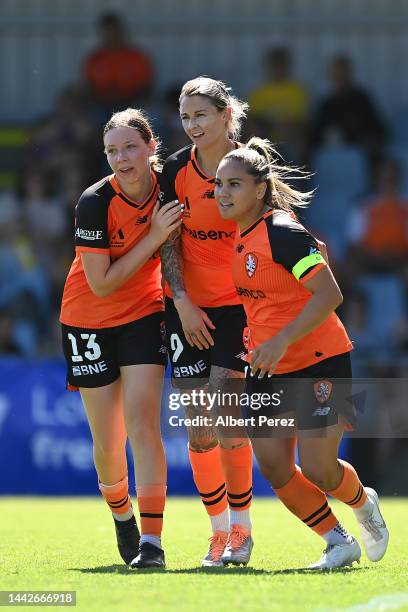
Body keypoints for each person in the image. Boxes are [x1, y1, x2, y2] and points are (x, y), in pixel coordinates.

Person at [214, 137, 389, 569]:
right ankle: (338, 541)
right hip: (268, 365)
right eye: (218, 184)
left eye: (234, 184)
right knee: (274, 466)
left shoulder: (283, 233)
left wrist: (280, 340)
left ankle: (363, 504)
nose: (222, 192)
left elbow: (330, 294)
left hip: (319, 359)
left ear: (259, 189)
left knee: (319, 470)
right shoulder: (242, 236)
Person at [59, 108, 182, 569]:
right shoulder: (94, 202)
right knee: (109, 443)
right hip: (86, 318)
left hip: (143, 314)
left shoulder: (170, 188)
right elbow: (102, 283)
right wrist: (152, 237)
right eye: (112, 150)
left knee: (143, 426)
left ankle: (151, 543)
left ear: (152, 147)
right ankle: (122, 518)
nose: (121, 158)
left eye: (131, 147)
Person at [159, 77, 253, 567]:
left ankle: (243, 531)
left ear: (224, 115)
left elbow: (277, 228)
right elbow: (168, 241)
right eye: (186, 116)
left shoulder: (254, 164)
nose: (192, 125)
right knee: (198, 429)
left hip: (241, 307)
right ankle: (218, 533)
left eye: (201, 115)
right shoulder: (174, 171)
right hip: (187, 311)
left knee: (226, 411)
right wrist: (182, 303)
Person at [83, 13, 154, 121]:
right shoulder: (95, 59)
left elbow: (147, 86)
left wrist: (128, 100)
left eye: (114, 32)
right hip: (101, 107)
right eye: (108, 32)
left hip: (132, 105)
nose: (111, 36)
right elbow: (88, 87)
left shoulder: (136, 57)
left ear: (121, 32)